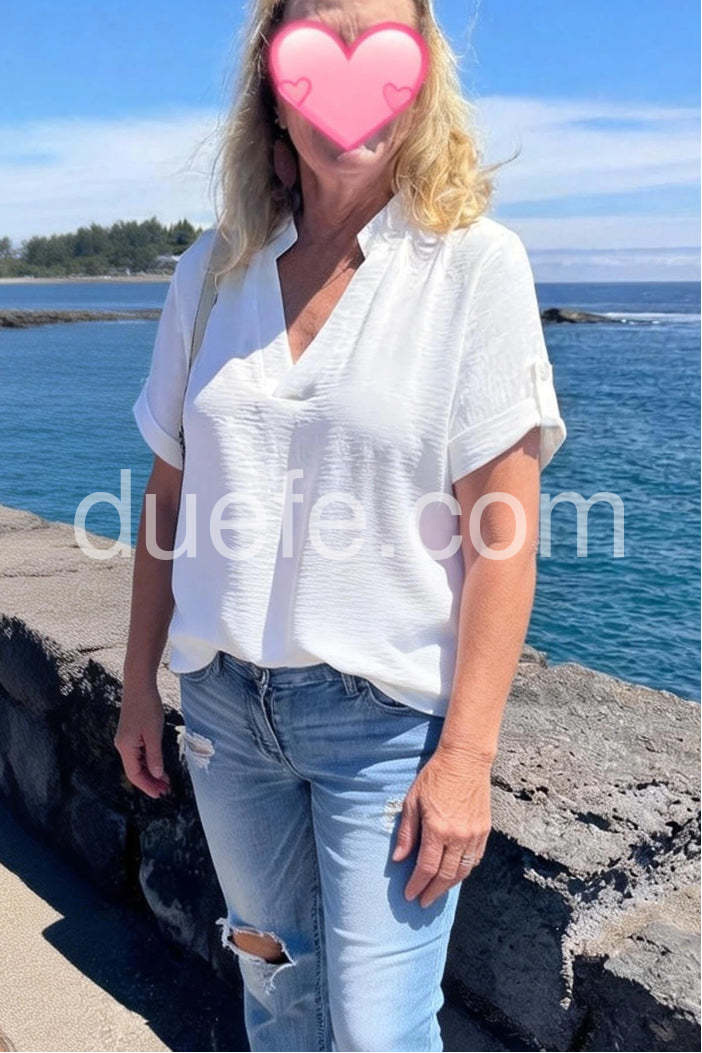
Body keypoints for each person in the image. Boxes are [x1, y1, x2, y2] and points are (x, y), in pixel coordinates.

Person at [116, 0, 568, 1049]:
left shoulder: (473, 266)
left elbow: (504, 537)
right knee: (273, 987)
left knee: (377, 1032)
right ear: (274, 88)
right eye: (319, 52)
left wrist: (468, 756)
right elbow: (167, 498)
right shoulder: (210, 272)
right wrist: (139, 683)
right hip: (224, 715)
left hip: (385, 731)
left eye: (382, 52)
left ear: (422, 83)